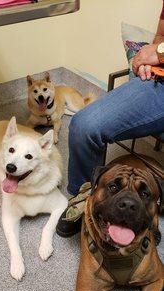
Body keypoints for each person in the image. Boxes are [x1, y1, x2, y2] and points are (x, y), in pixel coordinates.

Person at [56, 1, 164, 237]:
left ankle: (148, 213)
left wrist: (160, 52)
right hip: (161, 83)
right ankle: (83, 197)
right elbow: (161, 37)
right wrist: (150, 59)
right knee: (85, 125)